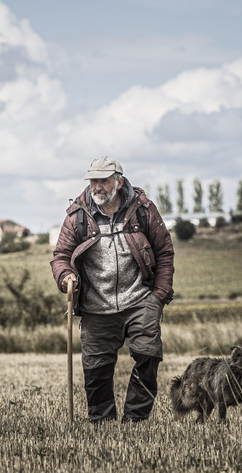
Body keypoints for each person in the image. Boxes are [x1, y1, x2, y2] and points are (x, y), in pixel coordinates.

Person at [50, 156, 175, 423]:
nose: (97, 187)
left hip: (140, 300)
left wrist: (158, 297)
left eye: (103, 181)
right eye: (93, 181)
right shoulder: (77, 215)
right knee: (96, 373)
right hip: (96, 306)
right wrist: (65, 276)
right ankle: (103, 426)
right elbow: (61, 255)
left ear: (118, 181)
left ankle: (135, 421)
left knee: (148, 356)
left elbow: (164, 251)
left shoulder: (143, 209)